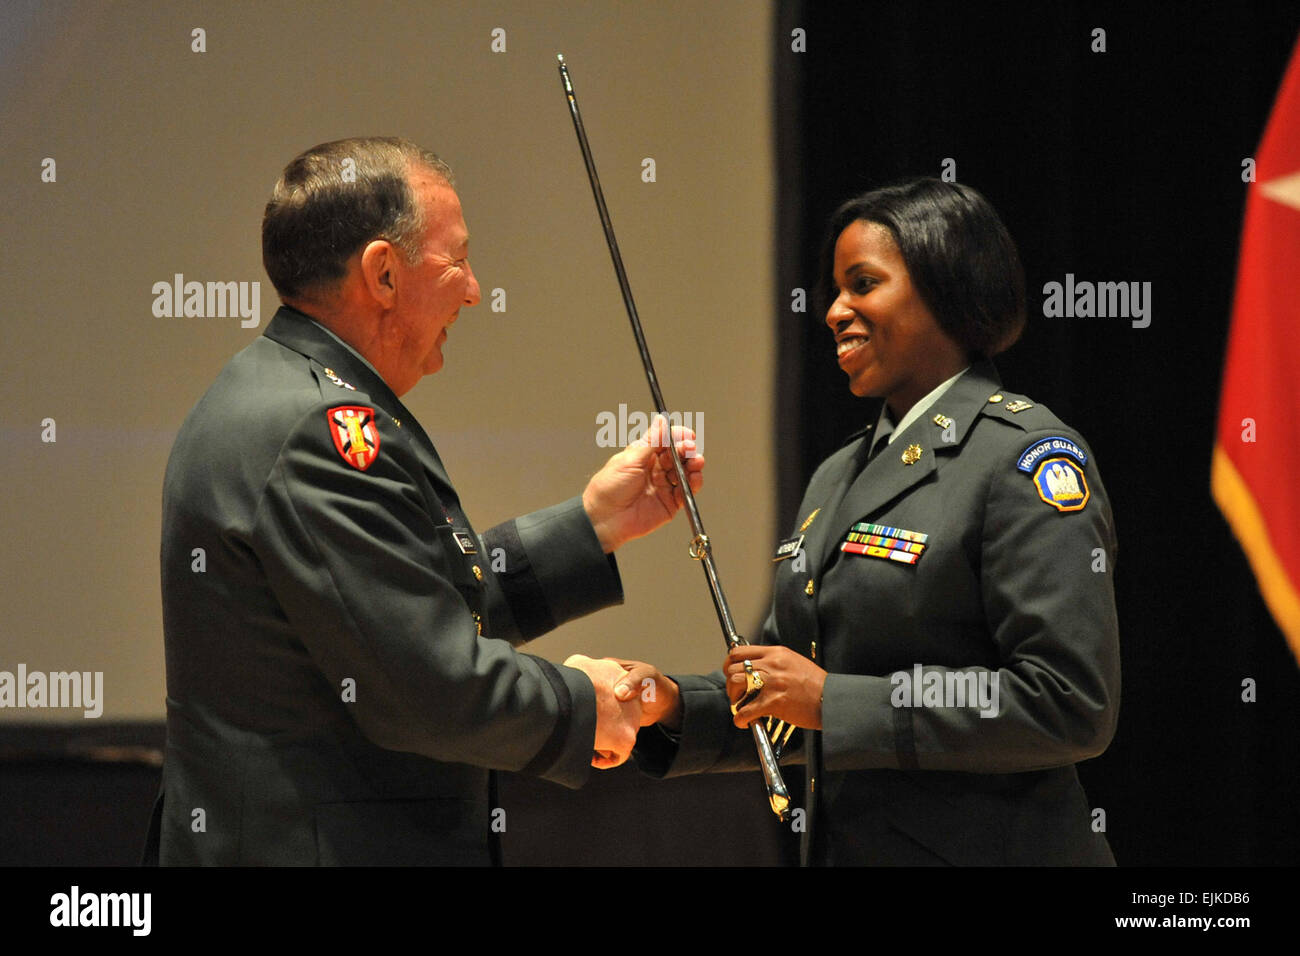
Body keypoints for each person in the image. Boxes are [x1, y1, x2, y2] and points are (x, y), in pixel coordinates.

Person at [145, 137, 702, 865]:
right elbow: (427, 686)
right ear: (382, 274)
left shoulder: (281, 392)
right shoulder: (321, 430)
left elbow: (402, 610)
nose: (473, 289)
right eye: (458, 259)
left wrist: (593, 526)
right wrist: (586, 701)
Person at [621, 178, 1120, 865]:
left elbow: (1067, 703)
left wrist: (835, 703)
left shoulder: (1023, 458)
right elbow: (787, 695)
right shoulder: (839, 474)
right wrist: (671, 704)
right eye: (835, 289)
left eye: (862, 284)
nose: (834, 311)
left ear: (946, 287)